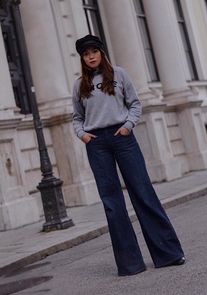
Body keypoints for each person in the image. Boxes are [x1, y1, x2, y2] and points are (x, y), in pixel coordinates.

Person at [72, 34, 185, 276]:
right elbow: (77, 117)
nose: (91, 56)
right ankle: (130, 264)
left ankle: (168, 254)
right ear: (82, 58)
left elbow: (135, 104)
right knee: (112, 203)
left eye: (94, 51)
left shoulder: (119, 75)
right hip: (96, 143)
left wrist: (128, 126)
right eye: (86, 53)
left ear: (101, 52)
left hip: (122, 138)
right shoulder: (79, 85)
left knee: (143, 192)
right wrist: (82, 134)